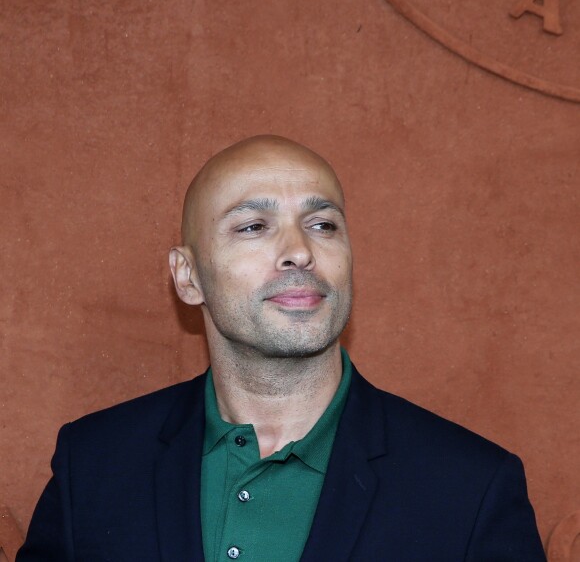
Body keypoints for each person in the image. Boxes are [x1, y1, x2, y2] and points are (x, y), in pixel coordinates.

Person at [17, 135, 546, 561]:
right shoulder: (93, 464)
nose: (300, 251)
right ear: (188, 276)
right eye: (253, 226)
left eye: (323, 225)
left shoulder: (470, 487)